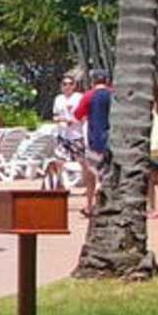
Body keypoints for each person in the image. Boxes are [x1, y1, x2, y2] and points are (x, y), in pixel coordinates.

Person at [74, 69, 114, 218]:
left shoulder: (88, 96)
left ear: (93, 81)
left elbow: (77, 114)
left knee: (91, 169)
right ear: (107, 81)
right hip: (112, 138)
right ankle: (103, 204)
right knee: (109, 169)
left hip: (94, 137)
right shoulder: (113, 94)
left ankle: (91, 203)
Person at [48, 70, 84, 191]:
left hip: (77, 135)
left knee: (82, 161)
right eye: (64, 84)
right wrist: (62, 120)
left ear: (74, 85)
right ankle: (63, 182)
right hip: (63, 135)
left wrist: (74, 120)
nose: (67, 86)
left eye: (70, 84)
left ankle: (86, 183)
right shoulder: (58, 99)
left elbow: (83, 115)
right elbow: (55, 116)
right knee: (59, 160)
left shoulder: (79, 97)